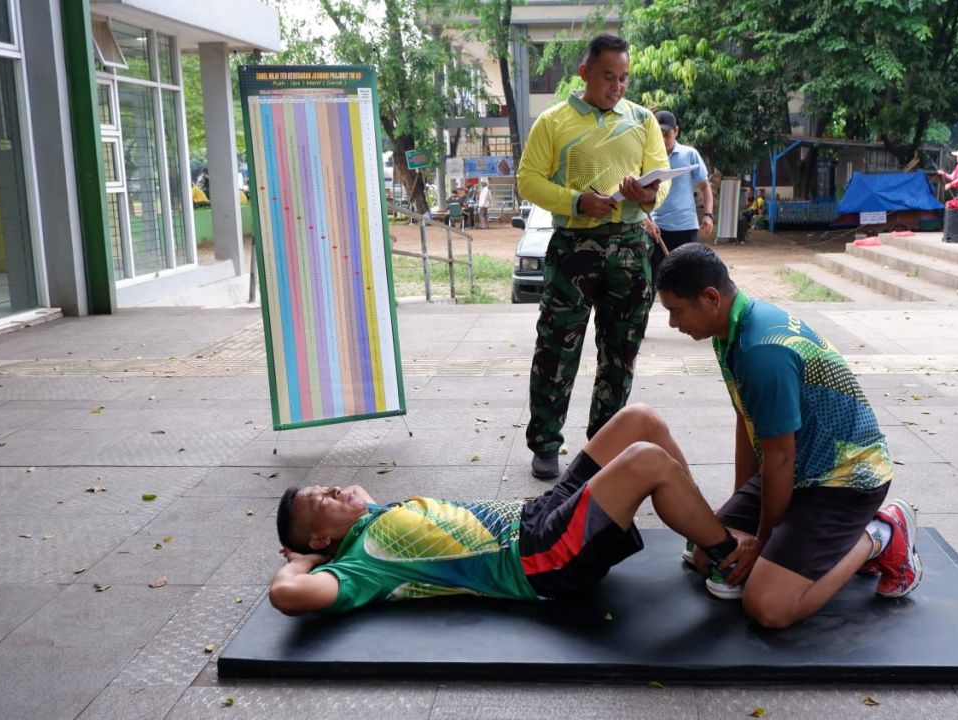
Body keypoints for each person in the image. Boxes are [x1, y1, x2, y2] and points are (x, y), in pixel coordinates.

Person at [656, 243, 921, 628]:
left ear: (710, 298)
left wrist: (760, 544)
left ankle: (882, 532)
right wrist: (739, 508)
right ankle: (794, 545)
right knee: (706, 550)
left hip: (844, 479)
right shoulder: (728, 330)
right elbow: (747, 420)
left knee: (768, 607)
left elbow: (780, 458)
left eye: (676, 311)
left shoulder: (763, 349)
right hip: (798, 468)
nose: (673, 324)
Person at [268, 404, 743, 615]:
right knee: (645, 462)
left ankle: (698, 540)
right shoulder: (359, 567)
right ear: (318, 540)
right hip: (539, 558)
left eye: (327, 486)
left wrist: (336, 506)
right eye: (322, 501)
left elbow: (355, 491)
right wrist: (305, 561)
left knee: (640, 420)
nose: (334, 490)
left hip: (537, 515)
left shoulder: (367, 517)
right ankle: (728, 557)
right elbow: (287, 597)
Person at [516, 33, 670, 480]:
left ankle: (604, 444)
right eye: (608, 77)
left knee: (621, 351)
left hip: (630, 246)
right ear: (585, 73)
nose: (616, 86)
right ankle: (545, 444)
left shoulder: (642, 121)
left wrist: (647, 194)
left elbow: (663, 182)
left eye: (623, 78)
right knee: (556, 348)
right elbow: (528, 181)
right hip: (573, 251)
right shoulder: (553, 121)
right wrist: (575, 201)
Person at [644, 110, 713, 288]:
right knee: (651, 281)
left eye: (667, 134)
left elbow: (705, 186)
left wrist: (708, 215)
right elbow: (638, 195)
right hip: (656, 229)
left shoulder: (689, 154)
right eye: (658, 135)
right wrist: (647, 221)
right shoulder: (648, 157)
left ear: (676, 131)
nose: (663, 140)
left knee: (687, 281)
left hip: (685, 227)